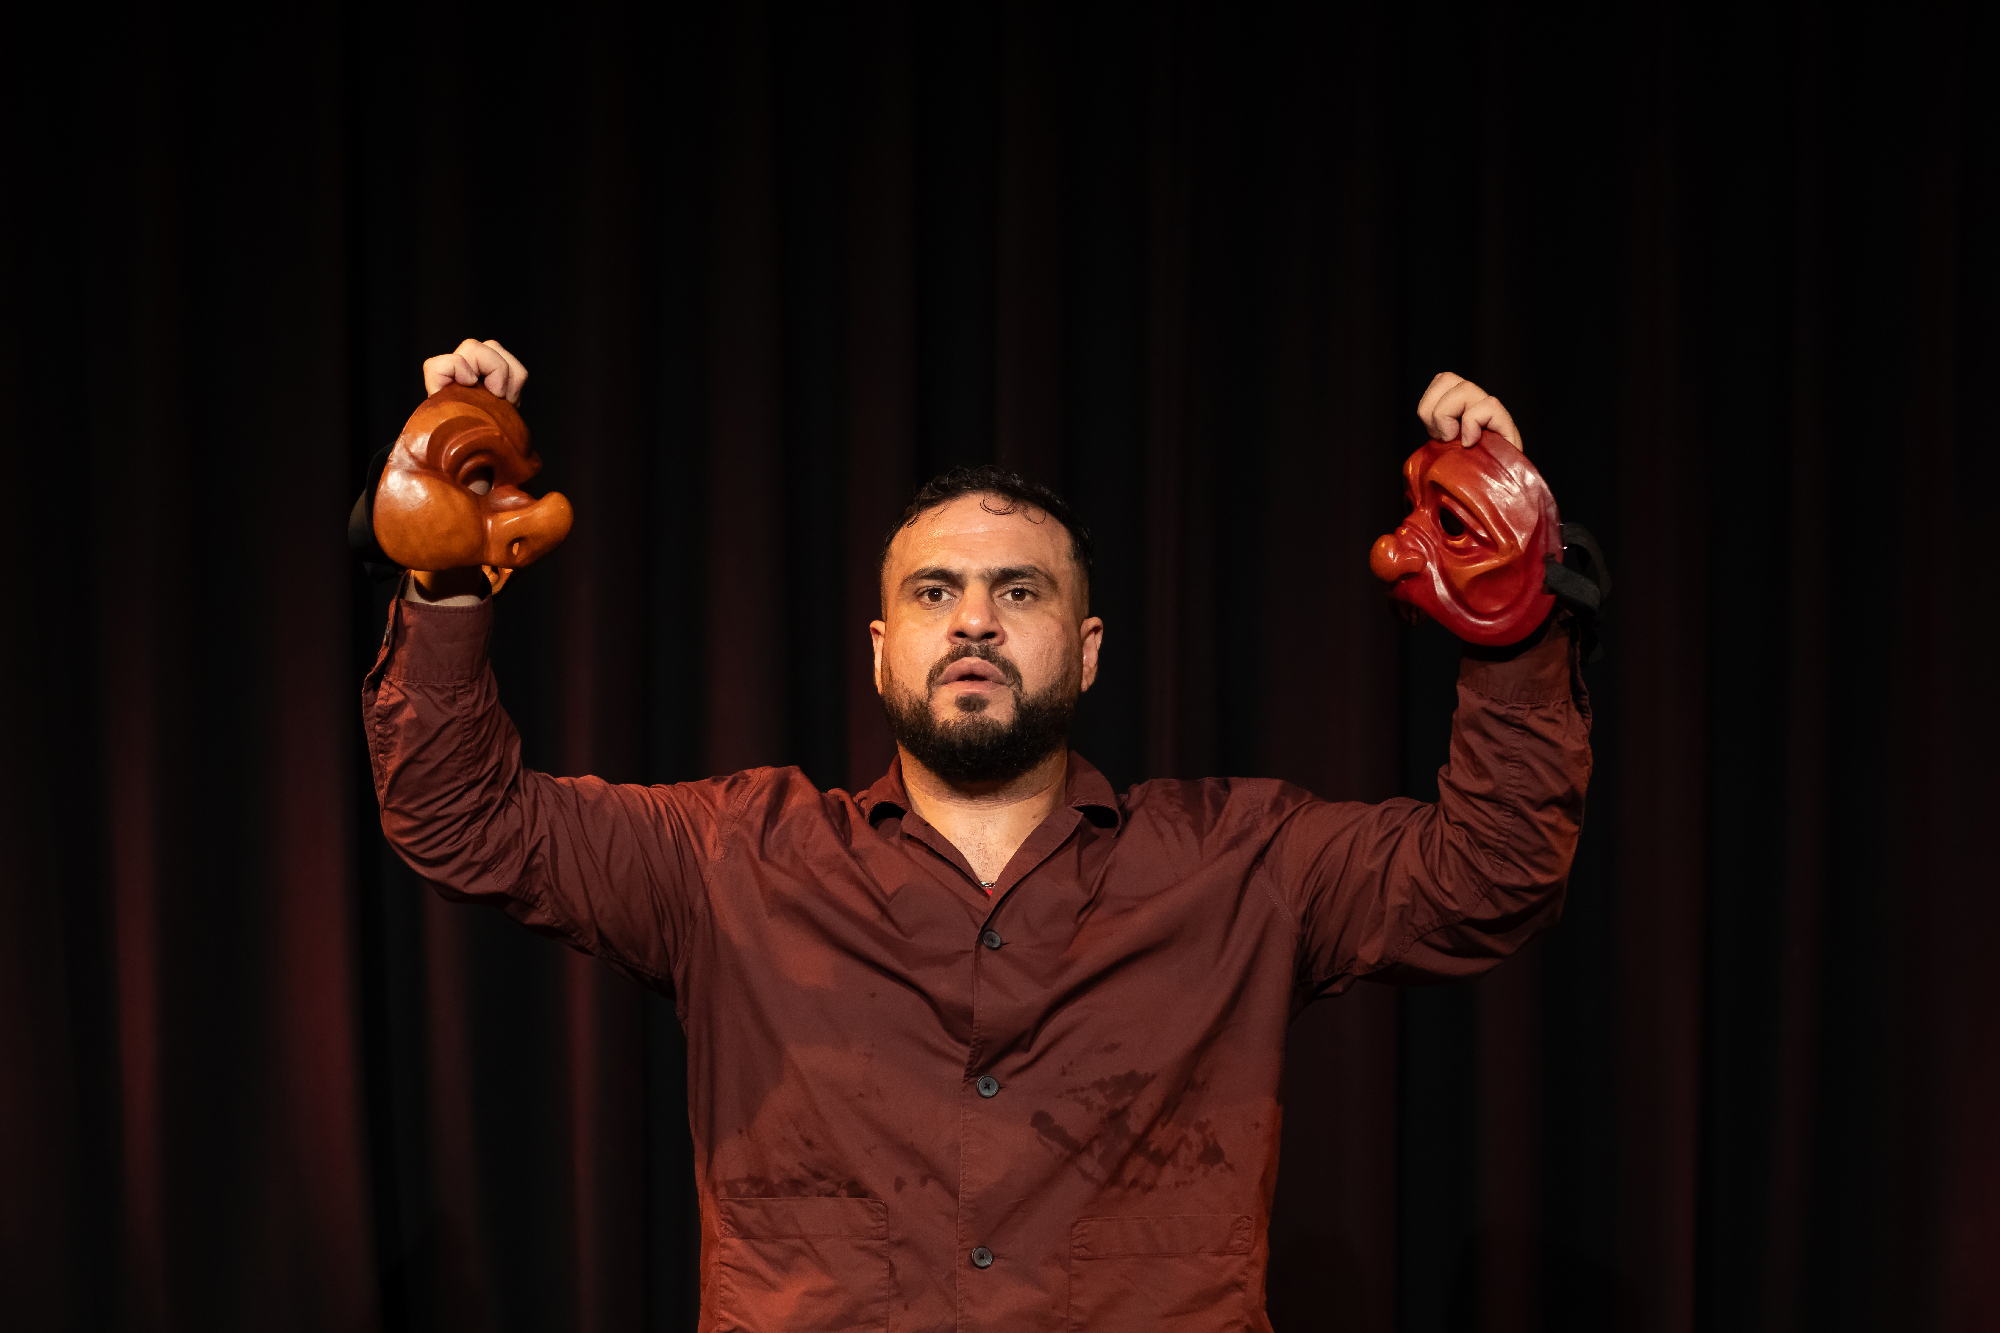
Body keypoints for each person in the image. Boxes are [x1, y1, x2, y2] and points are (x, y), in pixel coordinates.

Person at [365, 339, 1591, 1332]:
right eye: (934, 593)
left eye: (1019, 591)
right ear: (880, 647)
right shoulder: (725, 857)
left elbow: (1489, 875)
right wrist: (445, 586)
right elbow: (459, 820)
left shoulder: (1244, 862)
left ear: (1088, 647)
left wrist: (1511, 612)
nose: (975, 623)